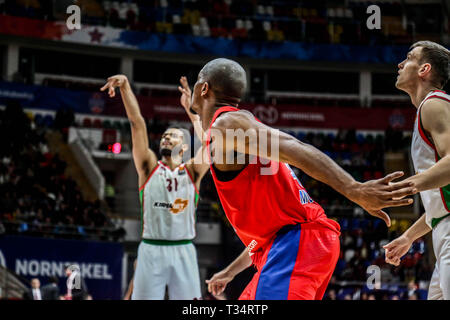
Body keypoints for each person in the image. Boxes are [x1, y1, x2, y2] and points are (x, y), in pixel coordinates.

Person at [189, 58, 416, 300]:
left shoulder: (226, 124)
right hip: (285, 245)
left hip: (297, 243)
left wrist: (354, 189)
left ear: (204, 88)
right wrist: (229, 272)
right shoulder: (230, 128)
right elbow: (263, 235)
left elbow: (294, 146)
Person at [101, 75, 209, 300]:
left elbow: (211, 143)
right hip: (151, 248)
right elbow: (137, 123)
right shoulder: (149, 167)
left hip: (184, 249)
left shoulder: (194, 170)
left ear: (185, 146)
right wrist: (126, 87)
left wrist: (192, 110)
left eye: (173, 136)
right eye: (164, 136)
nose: (167, 138)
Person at [383, 41, 450, 300]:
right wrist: (409, 237)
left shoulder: (434, 105)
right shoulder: (429, 108)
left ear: (424, 69)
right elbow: (442, 202)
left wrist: (403, 186)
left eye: (408, 58)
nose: (400, 64)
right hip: (442, 228)